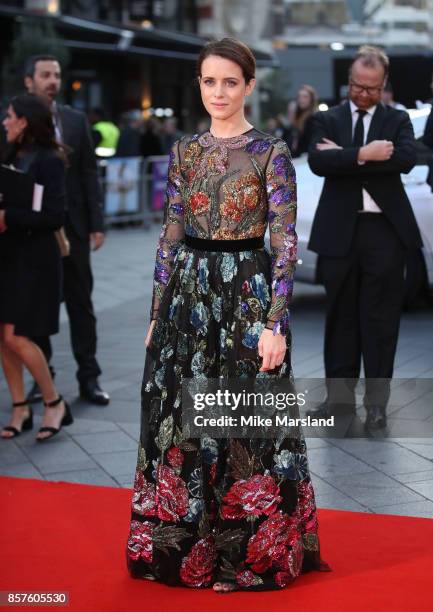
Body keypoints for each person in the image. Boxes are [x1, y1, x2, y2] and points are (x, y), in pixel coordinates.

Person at [125, 37, 330, 593]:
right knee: (182, 428)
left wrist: (275, 323)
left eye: (230, 82)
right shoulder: (184, 151)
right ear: (199, 84)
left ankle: (247, 558)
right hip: (188, 299)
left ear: (249, 86)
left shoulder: (271, 152)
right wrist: (156, 309)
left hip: (246, 295)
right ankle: (184, 552)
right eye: (209, 81)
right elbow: (169, 234)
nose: (219, 92)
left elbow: (286, 244)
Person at [306, 45, 422, 430]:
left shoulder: (398, 118)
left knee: (380, 321)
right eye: (357, 85)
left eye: (371, 88)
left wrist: (346, 156)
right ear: (349, 81)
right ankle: (338, 402)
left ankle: (377, 405)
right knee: (340, 318)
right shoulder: (329, 118)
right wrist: (365, 154)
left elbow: (406, 157)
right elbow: (318, 161)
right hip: (339, 231)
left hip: (385, 232)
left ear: (383, 85)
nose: (362, 94)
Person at [23, 55, 110, 406]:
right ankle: (42, 380)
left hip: (73, 228)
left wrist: (97, 223)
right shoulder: (15, 120)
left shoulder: (74, 120)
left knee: (81, 305)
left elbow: (89, 173)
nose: (52, 81)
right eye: (45, 75)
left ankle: (89, 378)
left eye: (56, 75)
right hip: (33, 230)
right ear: (29, 80)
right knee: (37, 306)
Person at [0, 93, 73, 441]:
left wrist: (7, 216)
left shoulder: (50, 160)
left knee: (17, 336)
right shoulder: (12, 153)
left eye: (9, 116)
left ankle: (53, 401)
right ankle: (20, 408)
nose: (4, 121)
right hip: (9, 255)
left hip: (34, 260)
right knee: (3, 338)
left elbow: (54, 215)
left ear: (24, 120)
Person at [287, 85, 318, 157]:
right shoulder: (297, 118)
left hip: (306, 160)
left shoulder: (313, 119)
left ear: (311, 100)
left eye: (305, 97)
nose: (301, 100)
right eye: (299, 97)